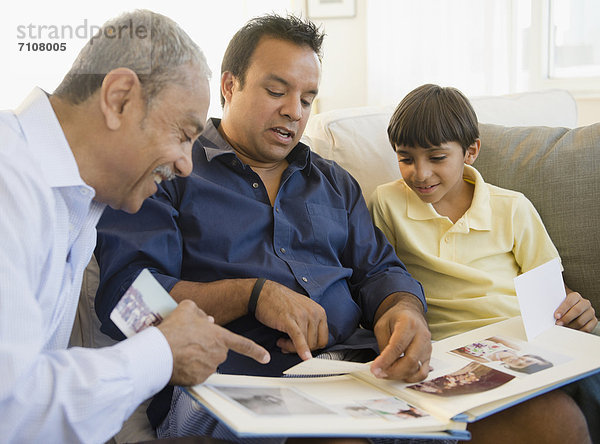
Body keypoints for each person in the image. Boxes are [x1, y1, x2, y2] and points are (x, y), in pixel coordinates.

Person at [94, 14, 438, 443]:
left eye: (308, 99)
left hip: (353, 372)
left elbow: (381, 271)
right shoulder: (170, 168)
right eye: (276, 91)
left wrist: (403, 312)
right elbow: (124, 299)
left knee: (526, 412)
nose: (294, 110)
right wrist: (251, 295)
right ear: (229, 86)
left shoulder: (333, 182)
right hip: (231, 383)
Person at [0, 10, 270, 443]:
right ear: (120, 98)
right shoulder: (9, 178)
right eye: (183, 134)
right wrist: (163, 352)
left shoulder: (80, 208)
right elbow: (10, 406)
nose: (186, 164)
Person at [369, 84, 597, 443]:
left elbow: (551, 289)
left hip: (521, 343)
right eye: (406, 158)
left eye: (437, 158)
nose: (420, 173)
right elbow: (378, 276)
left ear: (470, 152)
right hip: (448, 353)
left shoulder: (513, 207)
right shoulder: (387, 202)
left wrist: (575, 309)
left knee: (571, 405)